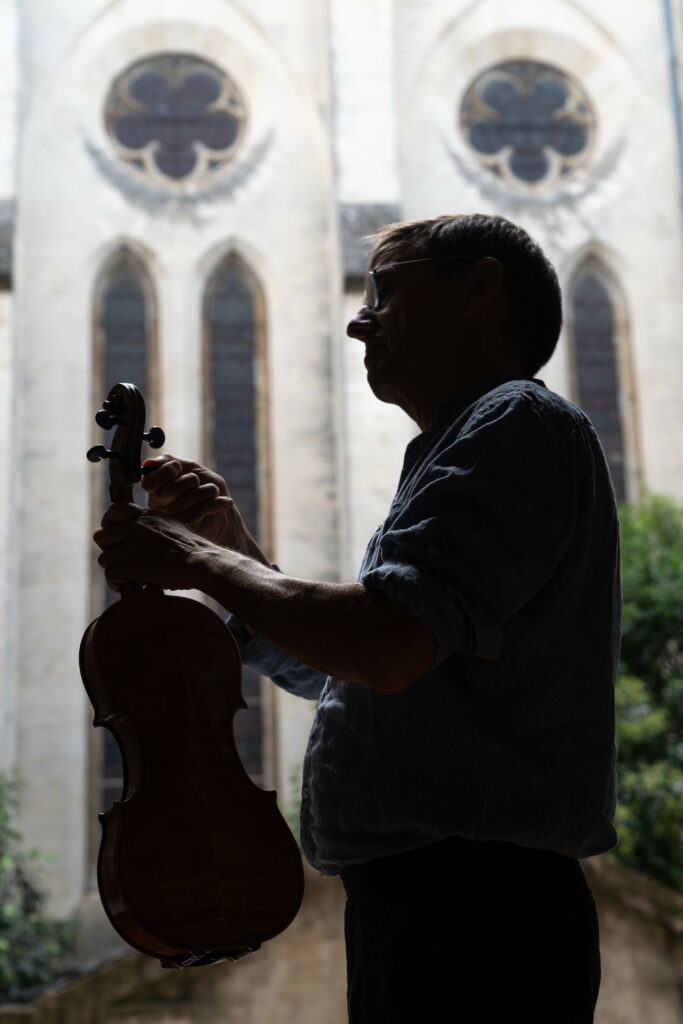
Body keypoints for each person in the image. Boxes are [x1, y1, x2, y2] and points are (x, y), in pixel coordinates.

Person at [94, 213, 619, 1023]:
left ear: (478, 289)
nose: (356, 317)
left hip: (477, 912)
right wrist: (230, 547)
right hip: (432, 903)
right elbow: (351, 666)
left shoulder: (518, 422)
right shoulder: (465, 444)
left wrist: (197, 561)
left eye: (386, 289)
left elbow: (382, 643)